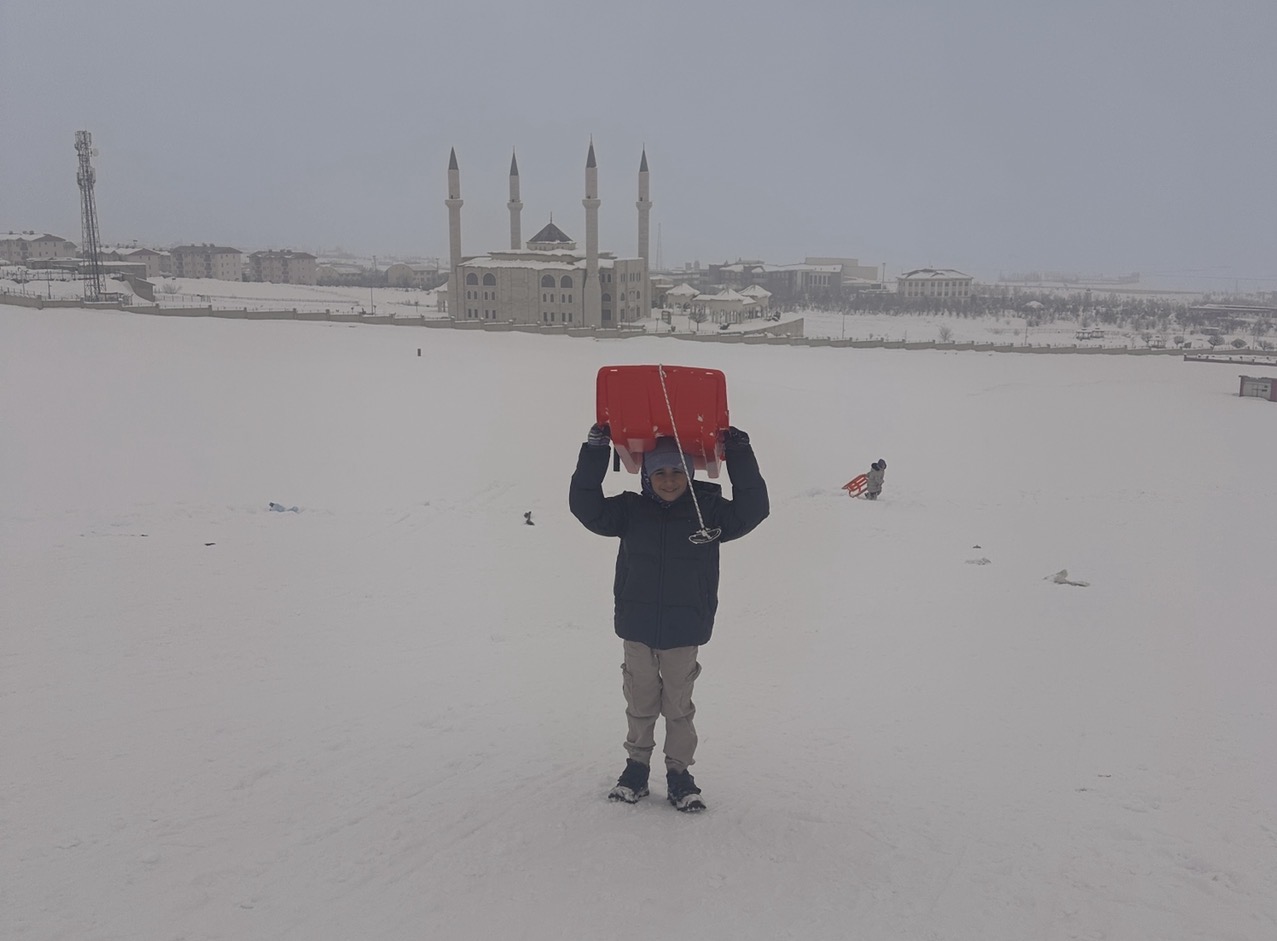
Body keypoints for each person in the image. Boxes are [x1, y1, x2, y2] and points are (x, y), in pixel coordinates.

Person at [570, 424, 769, 811]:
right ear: (646, 476)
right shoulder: (629, 511)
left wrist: (739, 454)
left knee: (678, 707)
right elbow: (586, 507)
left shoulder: (708, 511)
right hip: (637, 627)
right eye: (659, 472)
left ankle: (679, 774)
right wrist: (595, 452)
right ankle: (636, 769)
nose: (669, 480)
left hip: (684, 630)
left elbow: (754, 509)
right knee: (640, 703)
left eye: (677, 471)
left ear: (690, 474)